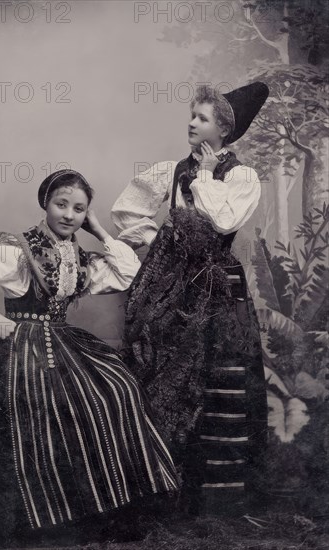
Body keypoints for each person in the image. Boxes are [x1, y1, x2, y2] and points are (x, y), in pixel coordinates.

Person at [0, 169, 179, 546]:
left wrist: (100, 232)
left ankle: (94, 506)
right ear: (45, 205)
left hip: (63, 341)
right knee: (35, 410)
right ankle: (35, 519)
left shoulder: (81, 257)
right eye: (60, 204)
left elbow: (129, 274)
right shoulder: (19, 249)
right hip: (18, 346)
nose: (68, 215)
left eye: (79, 209)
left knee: (118, 388)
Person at [111, 83, 269, 516]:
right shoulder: (170, 170)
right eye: (191, 115)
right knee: (162, 367)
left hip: (219, 285)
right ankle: (161, 485)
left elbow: (223, 221)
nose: (191, 123)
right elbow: (127, 211)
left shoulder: (241, 177)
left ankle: (219, 496)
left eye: (201, 118)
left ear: (223, 128)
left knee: (217, 369)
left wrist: (203, 178)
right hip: (172, 281)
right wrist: (161, 240)